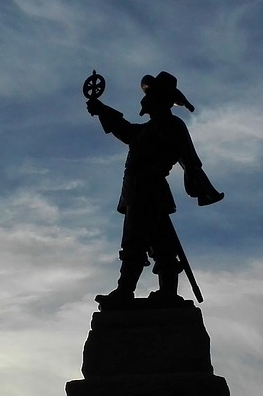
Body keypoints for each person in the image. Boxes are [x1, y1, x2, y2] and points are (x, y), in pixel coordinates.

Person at [86, 71, 223, 307]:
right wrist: (101, 109)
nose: (144, 99)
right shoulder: (147, 129)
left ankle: (143, 291)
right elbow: (127, 131)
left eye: (149, 94)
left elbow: (186, 158)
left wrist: (196, 185)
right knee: (147, 242)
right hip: (136, 192)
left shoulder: (171, 126)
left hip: (150, 192)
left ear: (158, 99)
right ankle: (138, 291)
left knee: (148, 243)